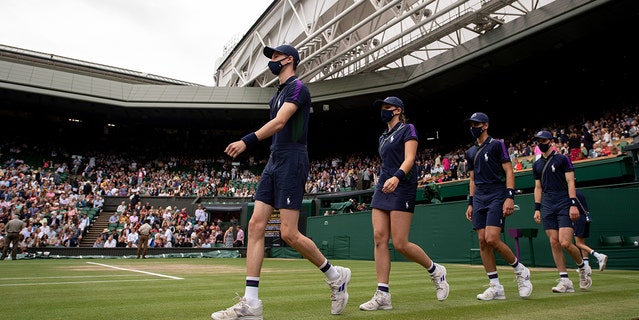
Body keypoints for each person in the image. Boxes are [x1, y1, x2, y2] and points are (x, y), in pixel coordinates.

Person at [211, 44, 350, 320]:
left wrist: (246, 141)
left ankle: (335, 276)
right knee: (255, 224)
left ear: (289, 60)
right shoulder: (276, 95)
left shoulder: (298, 88)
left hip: (293, 159)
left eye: (275, 57)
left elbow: (280, 123)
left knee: (288, 233)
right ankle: (251, 304)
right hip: (275, 159)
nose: (271, 61)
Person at [359, 96, 449, 312]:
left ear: (398, 110)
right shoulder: (382, 137)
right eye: (382, 108)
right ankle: (383, 295)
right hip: (384, 185)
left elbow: (409, 159)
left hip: (403, 184)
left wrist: (397, 177)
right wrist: (385, 180)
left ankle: (435, 270)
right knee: (379, 238)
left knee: (400, 243)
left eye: (387, 108)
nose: (384, 111)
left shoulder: (408, 129)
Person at [464, 112, 533, 300]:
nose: (473, 128)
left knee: (492, 238)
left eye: (476, 124)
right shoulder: (470, 152)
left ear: (485, 125)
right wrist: (470, 202)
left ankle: (521, 271)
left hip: (496, 194)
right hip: (479, 197)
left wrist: (509, 197)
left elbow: (509, 171)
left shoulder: (497, 144)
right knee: (482, 240)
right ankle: (495, 286)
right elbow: (472, 179)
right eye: (471, 125)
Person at [532, 130, 593, 292]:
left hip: (563, 202)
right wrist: (537, 208)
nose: (540, 143)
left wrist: (573, 204)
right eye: (538, 140)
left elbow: (570, 182)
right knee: (554, 242)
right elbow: (538, 187)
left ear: (551, 141)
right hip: (548, 204)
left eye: (543, 140)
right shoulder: (536, 164)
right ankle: (564, 280)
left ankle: (582, 268)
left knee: (566, 242)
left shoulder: (562, 159)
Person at [572, 190, 608, 271]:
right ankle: (586, 266)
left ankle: (599, 256)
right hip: (586, 217)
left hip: (578, 218)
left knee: (578, 243)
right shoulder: (579, 193)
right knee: (582, 243)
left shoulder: (572, 194)